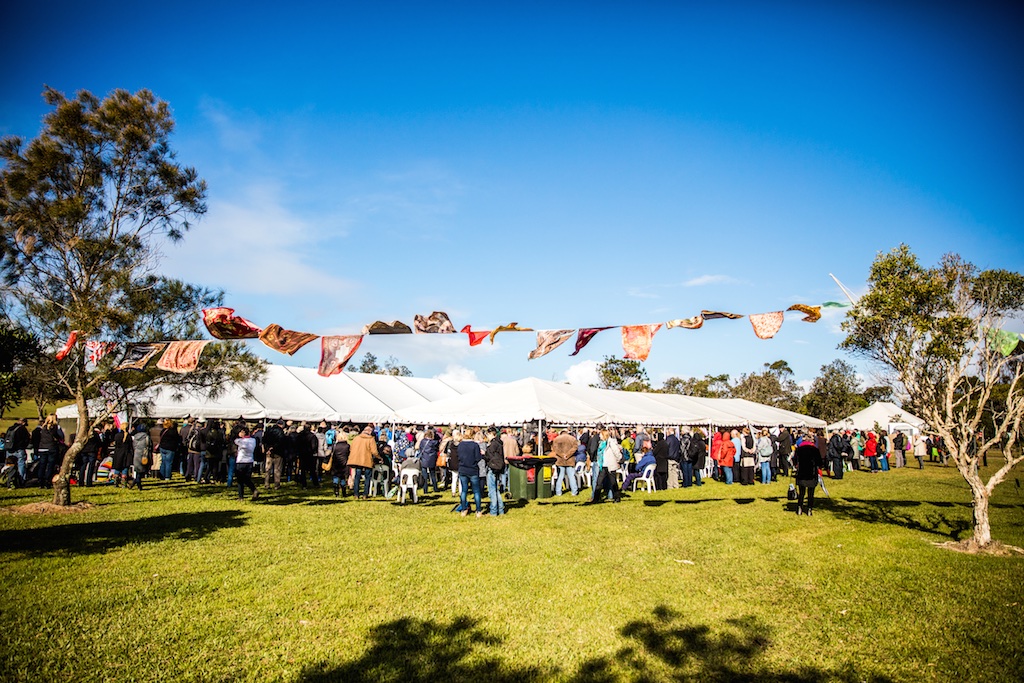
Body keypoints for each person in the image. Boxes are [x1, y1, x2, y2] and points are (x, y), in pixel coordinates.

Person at [456, 430, 483, 516]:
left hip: (463, 469)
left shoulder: (460, 445)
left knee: (464, 491)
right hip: (473, 469)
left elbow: (458, 456)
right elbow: (478, 458)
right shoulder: (475, 445)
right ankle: (478, 510)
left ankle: (464, 509)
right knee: (476, 491)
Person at [32, 415, 63, 488]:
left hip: (42, 447)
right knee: (50, 465)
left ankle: (40, 481)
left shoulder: (42, 427)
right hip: (51, 447)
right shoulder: (56, 427)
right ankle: (47, 480)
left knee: (42, 465)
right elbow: (60, 436)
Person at [348, 425, 379, 499]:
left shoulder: (356, 438)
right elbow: (374, 451)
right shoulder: (371, 439)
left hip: (357, 460)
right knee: (367, 477)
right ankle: (365, 494)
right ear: (369, 432)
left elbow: (351, 448)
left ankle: (356, 494)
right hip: (367, 460)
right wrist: (379, 457)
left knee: (357, 477)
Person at [794, 440, 823, 516]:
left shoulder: (799, 450)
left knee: (801, 493)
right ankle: (809, 509)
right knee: (811, 493)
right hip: (811, 474)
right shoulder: (815, 450)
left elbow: (795, 461)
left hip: (802, 473)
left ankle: (800, 507)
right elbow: (819, 462)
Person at [233, 427, 260, 501]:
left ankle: (241, 496)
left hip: (241, 461)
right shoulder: (253, 440)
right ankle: (254, 489)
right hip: (250, 461)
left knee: (240, 480)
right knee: (247, 479)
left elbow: (235, 440)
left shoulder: (240, 441)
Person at [484, 429, 506, 515]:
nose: (487, 437)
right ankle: (500, 509)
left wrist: (484, 454)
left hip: (492, 467)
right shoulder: (499, 443)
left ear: (491, 434)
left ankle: (493, 511)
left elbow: (489, 455)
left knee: (492, 490)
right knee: (496, 490)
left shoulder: (493, 444)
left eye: (488, 435)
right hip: (499, 467)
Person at [551, 430, 580, 496]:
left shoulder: (556, 439)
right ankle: (574, 491)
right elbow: (575, 448)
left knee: (560, 477)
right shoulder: (573, 439)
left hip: (560, 460)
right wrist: (568, 454)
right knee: (571, 476)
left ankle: (558, 492)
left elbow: (555, 449)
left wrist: (562, 455)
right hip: (570, 460)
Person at [5, 418, 30, 485]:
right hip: (19, 449)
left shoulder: (10, 428)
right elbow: (27, 439)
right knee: (21, 464)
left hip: (9, 449)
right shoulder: (22, 429)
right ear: (24, 423)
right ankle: (21, 480)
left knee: (9, 465)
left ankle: (8, 479)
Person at [129, 423, 152, 490]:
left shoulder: (135, 437)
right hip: (144, 454)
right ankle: (136, 482)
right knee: (142, 470)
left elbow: (133, 445)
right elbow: (149, 445)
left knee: (138, 469)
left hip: (136, 454)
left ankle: (137, 484)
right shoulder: (146, 437)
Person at [418, 428, 440, 494]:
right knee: (432, 474)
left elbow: (420, 448)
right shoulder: (435, 442)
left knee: (425, 475)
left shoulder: (422, 441)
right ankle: (435, 488)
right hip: (432, 459)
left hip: (424, 458)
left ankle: (425, 489)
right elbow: (437, 449)